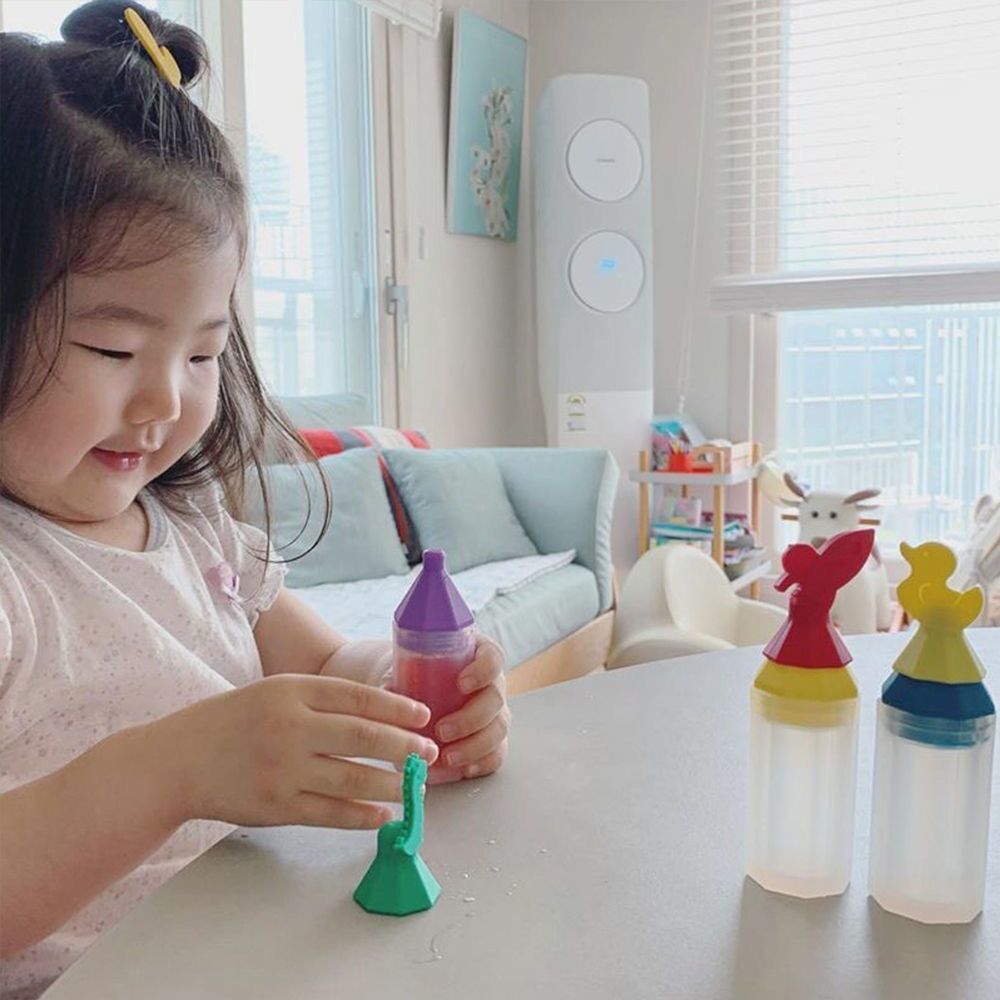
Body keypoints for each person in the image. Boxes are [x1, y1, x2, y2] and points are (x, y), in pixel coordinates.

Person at [0, 4, 510, 996]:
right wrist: (172, 772)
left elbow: (324, 663)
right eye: (111, 348)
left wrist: (411, 694)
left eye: (202, 353)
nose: (165, 400)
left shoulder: (195, 531)